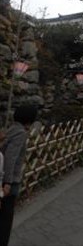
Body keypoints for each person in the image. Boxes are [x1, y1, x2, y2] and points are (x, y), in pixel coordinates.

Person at [0, 105, 38, 246]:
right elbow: (11, 158)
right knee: (5, 220)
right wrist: (8, 182)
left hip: (2, 178)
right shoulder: (20, 133)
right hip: (9, 183)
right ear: (30, 119)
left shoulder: (11, 129)